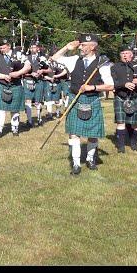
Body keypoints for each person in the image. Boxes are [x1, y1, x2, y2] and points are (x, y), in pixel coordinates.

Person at [49, 34, 114, 175]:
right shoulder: (74, 60)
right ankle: (76, 164)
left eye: (84, 45)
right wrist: (67, 47)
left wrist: (93, 88)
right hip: (75, 99)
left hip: (92, 100)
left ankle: (90, 159)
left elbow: (110, 86)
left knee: (92, 134)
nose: (81, 47)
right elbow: (53, 59)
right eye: (81, 45)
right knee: (74, 133)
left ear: (93, 46)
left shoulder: (102, 63)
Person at [110, 44, 137, 153]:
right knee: (120, 122)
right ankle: (121, 147)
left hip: (136, 96)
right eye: (123, 53)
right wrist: (123, 84)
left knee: (136, 123)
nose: (125, 55)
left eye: (127, 53)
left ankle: (133, 144)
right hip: (121, 96)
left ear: (131, 55)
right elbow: (113, 83)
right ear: (120, 55)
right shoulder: (114, 67)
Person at [0, 38, 31, 138]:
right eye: (0, 48)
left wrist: (18, 73)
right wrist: (3, 76)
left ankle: (15, 128)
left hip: (16, 85)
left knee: (15, 109)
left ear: (9, 46)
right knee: (0, 108)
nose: (2, 50)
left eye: (3, 47)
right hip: (2, 84)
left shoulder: (19, 55)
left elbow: (28, 66)